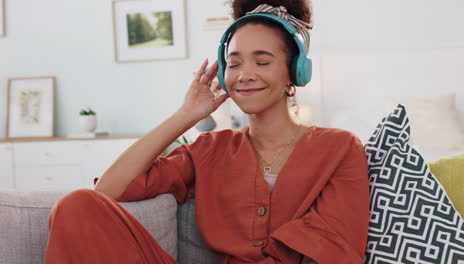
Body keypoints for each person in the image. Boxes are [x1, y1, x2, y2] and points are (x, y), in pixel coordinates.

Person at [45, 0, 370, 263]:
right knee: (77, 206)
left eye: (262, 61)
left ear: (296, 71)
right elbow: (109, 192)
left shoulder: (340, 148)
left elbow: (335, 250)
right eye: (235, 62)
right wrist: (186, 115)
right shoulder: (209, 150)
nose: (244, 75)